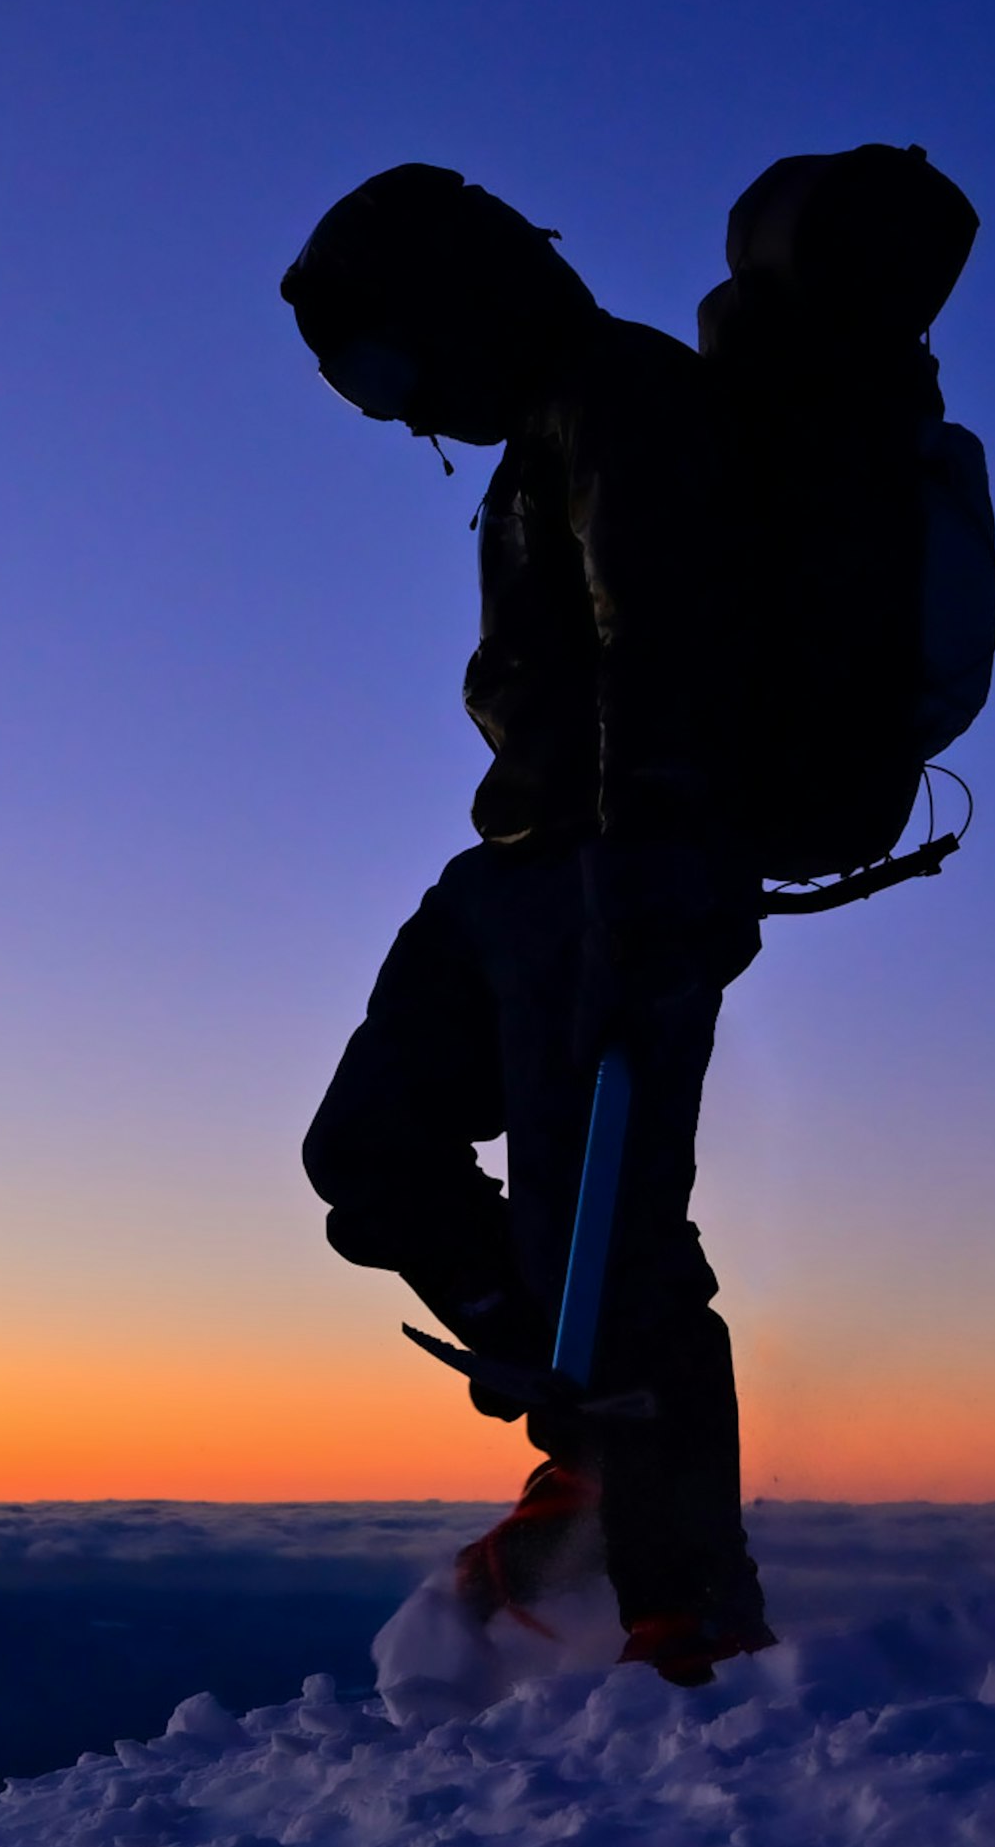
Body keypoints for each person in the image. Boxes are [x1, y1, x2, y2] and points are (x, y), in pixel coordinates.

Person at [282, 164, 775, 1686]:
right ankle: (591, 1445)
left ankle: (684, 1607)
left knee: (613, 1245)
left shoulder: (624, 394)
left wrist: (653, 869)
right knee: (366, 1153)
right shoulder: (537, 440)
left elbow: (666, 635)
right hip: (517, 864)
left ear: (458, 302)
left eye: (386, 364)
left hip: (619, 865)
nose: (394, 407)